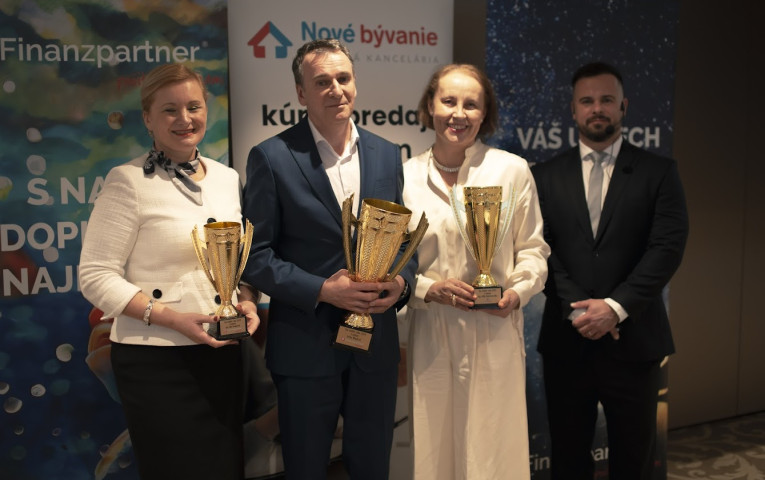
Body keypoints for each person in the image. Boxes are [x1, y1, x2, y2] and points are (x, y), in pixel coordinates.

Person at [240, 39, 417, 479]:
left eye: (343, 78)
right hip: (306, 349)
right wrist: (322, 290)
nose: (336, 89)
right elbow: (255, 257)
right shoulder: (271, 157)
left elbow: (402, 242)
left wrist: (401, 284)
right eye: (322, 82)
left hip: (374, 346)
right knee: (305, 469)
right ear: (301, 93)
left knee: (373, 468)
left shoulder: (386, 153)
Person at [79, 63, 259, 480]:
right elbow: (95, 275)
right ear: (147, 119)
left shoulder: (227, 178)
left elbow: (237, 262)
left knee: (224, 468)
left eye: (193, 107)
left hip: (222, 355)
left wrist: (247, 300)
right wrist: (170, 318)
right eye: (169, 110)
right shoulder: (127, 181)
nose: (184, 119)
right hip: (155, 362)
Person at [532, 62, 689, 480]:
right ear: (573, 109)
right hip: (568, 340)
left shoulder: (659, 172)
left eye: (606, 100)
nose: (596, 108)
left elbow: (666, 248)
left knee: (634, 461)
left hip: (635, 340)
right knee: (568, 459)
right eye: (587, 101)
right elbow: (539, 249)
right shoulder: (543, 176)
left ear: (623, 106)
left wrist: (615, 308)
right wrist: (580, 310)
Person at [402, 64, 550, 479]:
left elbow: (533, 251)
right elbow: (395, 264)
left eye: (471, 104)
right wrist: (426, 289)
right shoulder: (405, 176)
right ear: (430, 106)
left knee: (492, 451)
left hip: (494, 329)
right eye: (448, 101)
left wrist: (516, 293)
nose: (458, 113)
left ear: (485, 113)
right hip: (431, 330)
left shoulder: (511, 170)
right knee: (434, 452)